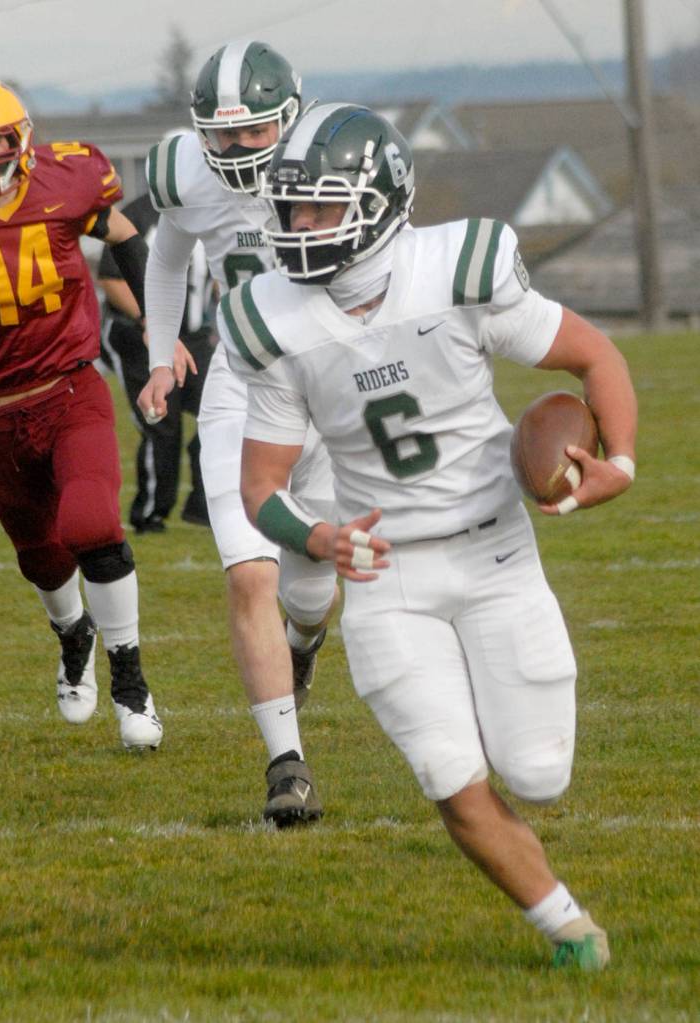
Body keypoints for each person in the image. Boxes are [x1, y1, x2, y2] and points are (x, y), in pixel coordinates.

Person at [219, 103, 637, 966]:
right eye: (291, 206)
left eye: (321, 206)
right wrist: (318, 537)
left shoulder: (461, 270)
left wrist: (619, 461)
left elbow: (596, 356)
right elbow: (260, 486)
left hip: (496, 552)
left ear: (380, 200)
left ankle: (491, 706)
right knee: (448, 770)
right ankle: (568, 927)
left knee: (540, 773)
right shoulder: (272, 319)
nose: (298, 225)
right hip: (387, 577)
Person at [0, 76, 163, 750]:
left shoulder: (67, 179)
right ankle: (73, 633)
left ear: (19, 137)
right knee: (42, 559)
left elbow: (126, 239)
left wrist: (155, 321)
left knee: (92, 523)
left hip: (70, 390)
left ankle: (132, 684)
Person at [137, 41, 339, 826]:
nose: (239, 148)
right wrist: (160, 356)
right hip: (242, 382)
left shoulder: (336, 155)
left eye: (255, 131)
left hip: (332, 387)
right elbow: (166, 258)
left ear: (290, 117)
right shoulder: (188, 172)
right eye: (223, 135)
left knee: (312, 589)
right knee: (250, 574)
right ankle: (287, 766)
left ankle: (304, 641)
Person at [97, 190, 213, 534]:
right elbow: (111, 278)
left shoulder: (210, 209)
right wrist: (151, 321)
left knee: (221, 413)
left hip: (194, 337)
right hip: (139, 336)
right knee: (161, 424)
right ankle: (151, 512)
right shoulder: (138, 213)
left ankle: (203, 503)